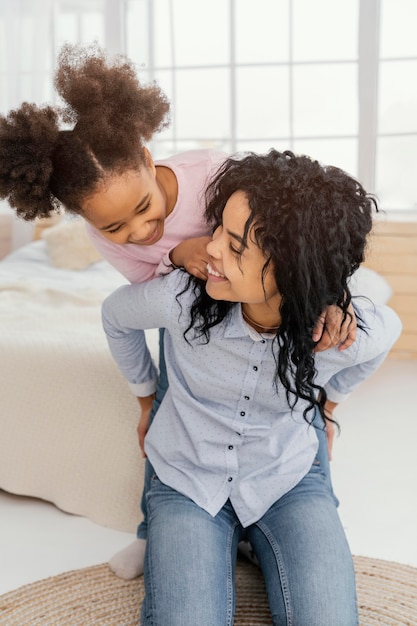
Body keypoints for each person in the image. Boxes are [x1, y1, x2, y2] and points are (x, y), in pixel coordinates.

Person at [0, 44, 356, 581]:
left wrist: (330, 295)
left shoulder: (212, 173)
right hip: (194, 318)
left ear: (147, 158)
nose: (139, 233)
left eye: (145, 209)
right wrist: (171, 261)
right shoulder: (109, 240)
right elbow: (151, 299)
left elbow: (289, 234)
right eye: (115, 228)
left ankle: (297, 509)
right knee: (167, 417)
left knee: (292, 400)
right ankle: (155, 530)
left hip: (255, 301)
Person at [102, 149, 401, 626]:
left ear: (294, 271)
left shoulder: (337, 333)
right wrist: (146, 394)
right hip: (187, 477)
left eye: (235, 247)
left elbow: (388, 334)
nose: (212, 248)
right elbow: (115, 316)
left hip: (287, 477)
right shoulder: (182, 297)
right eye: (218, 226)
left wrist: (329, 405)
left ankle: (255, 538)